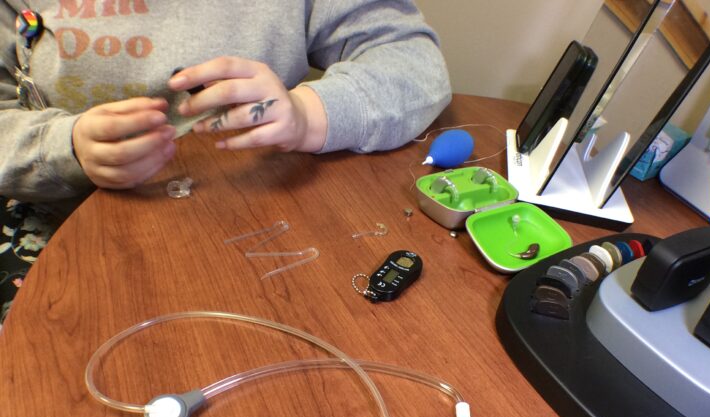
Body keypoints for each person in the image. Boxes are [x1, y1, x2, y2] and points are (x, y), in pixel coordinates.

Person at [0, 0, 452, 320]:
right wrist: (65, 146)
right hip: (65, 232)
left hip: (255, 233)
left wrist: (308, 115)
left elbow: (414, 64)